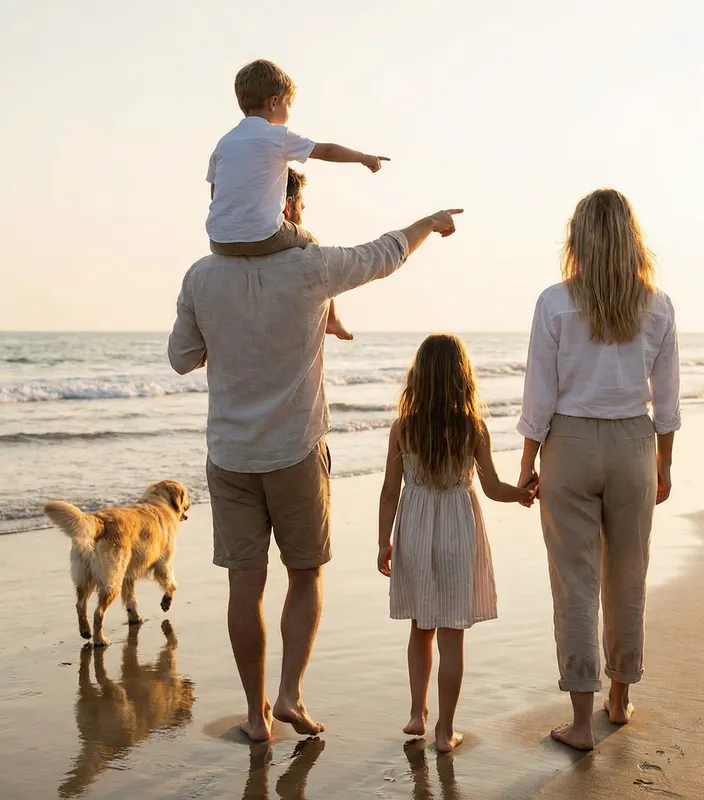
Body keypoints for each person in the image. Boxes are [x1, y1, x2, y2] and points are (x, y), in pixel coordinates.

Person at [168, 188, 463, 743]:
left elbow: (182, 359)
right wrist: (429, 221)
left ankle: (256, 718)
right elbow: (387, 252)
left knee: (244, 585)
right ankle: (289, 695)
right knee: (304, 574)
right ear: (289, 209)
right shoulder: (312, 268)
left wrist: (233, 336)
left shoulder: (201, 277)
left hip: (230, 455)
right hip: (296, 451)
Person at [516, 188, 681, 751]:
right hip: (635, 444)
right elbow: (668, 400)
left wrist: (525, 463)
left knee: (576, 583)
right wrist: (664, 466)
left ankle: (582, 724)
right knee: (627, 576)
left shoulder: (554, 302)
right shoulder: (657, 305)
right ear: (631, 240)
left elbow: (538, 395)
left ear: (578, 239)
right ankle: (618, 698)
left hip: (569, 443)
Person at [378, 334, 536, 753]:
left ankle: (417, 711)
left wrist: (383, 542)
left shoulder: (403, 428)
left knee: (420, 627)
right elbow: (492, 487)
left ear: (419, 377)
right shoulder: (472, 428)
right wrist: (521, 494)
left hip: (413, 531)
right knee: (452, 637)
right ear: (462, 378)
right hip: (458, 533)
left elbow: (390, 491)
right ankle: (445, 731)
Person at [206, 59, 389, 340]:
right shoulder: (277, 136)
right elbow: (326, 150)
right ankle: (332, 319)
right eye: (289, 105)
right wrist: (364, 158)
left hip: (219, 242)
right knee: (311, 243)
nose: (289, 111)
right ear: (274, 102)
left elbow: (215, 193)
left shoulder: (224, 142)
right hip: (263, 237)